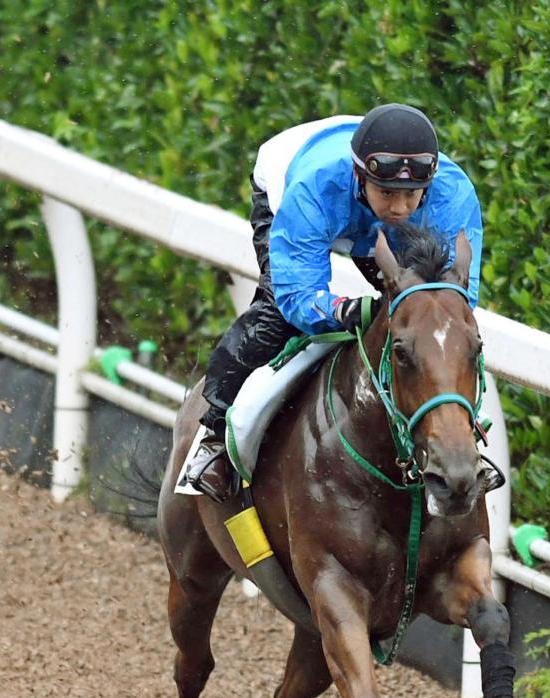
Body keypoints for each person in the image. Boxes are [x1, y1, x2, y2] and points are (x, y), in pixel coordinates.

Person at [185, 103, 483, 501]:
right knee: (276, 318)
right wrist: (344, 310)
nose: (398, 208)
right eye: (388, 193)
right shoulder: (315, 188)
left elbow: (456, 302)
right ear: (360, 176)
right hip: (301, 191)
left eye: (412, 196)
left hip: (359, 209)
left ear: (429, 185)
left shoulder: (452, 195)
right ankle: (214, 435)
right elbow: (298, 296)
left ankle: (458, 444)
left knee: (429, 329)